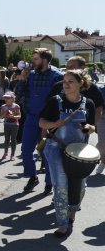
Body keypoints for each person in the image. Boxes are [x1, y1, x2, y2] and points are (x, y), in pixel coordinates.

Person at [39, 69, 96, 237]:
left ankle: (72, 215)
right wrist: (54, 123)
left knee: (79, 186)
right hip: (56, 147)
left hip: (80, 151)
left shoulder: (88, 104)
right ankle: (63, 223)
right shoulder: (55, 101)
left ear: (80, 83)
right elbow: (41, 122)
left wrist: (88, 128)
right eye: (64, 81)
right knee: (61, 186)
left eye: (71, 81)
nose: (66, 84)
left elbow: (92, 127)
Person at [47, 56, 105, 174]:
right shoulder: (58, 86)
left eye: (72, 66)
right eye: (67, 66)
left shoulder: (92, 88)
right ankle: (53, 186)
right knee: (58, 174)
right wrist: (45, 130)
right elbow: (47, 112)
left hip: (79, 137)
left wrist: (90, 125)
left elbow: (98, 109)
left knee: (76, 169)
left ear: (82, 68)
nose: (68, 69)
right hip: (57, 137)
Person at [20, 48, 63, 194]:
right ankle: (32, 176)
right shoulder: (30, 75)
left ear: (44, 60)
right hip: (31, 118)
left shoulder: (57, 76)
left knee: (48, 152)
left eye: (36, 59)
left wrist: (51, 121)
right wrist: (22, 80)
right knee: (26, 150)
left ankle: (49, 183)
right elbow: (18, 94)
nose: (33, 62)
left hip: (49, 120)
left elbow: (59, 101)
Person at [0, 91, 21, 160]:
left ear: (12, 98)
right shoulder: (3, 107)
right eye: (5, 98)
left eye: (8, 98)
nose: (6, 99)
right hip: (6, 124)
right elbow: (1, 117)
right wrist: (5, 113)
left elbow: (19, 116)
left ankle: (12, 155)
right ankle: (5, 153)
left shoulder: (16, 106)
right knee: (6, 139)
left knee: (13, 140)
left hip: (15, 125)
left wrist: (13, 117)